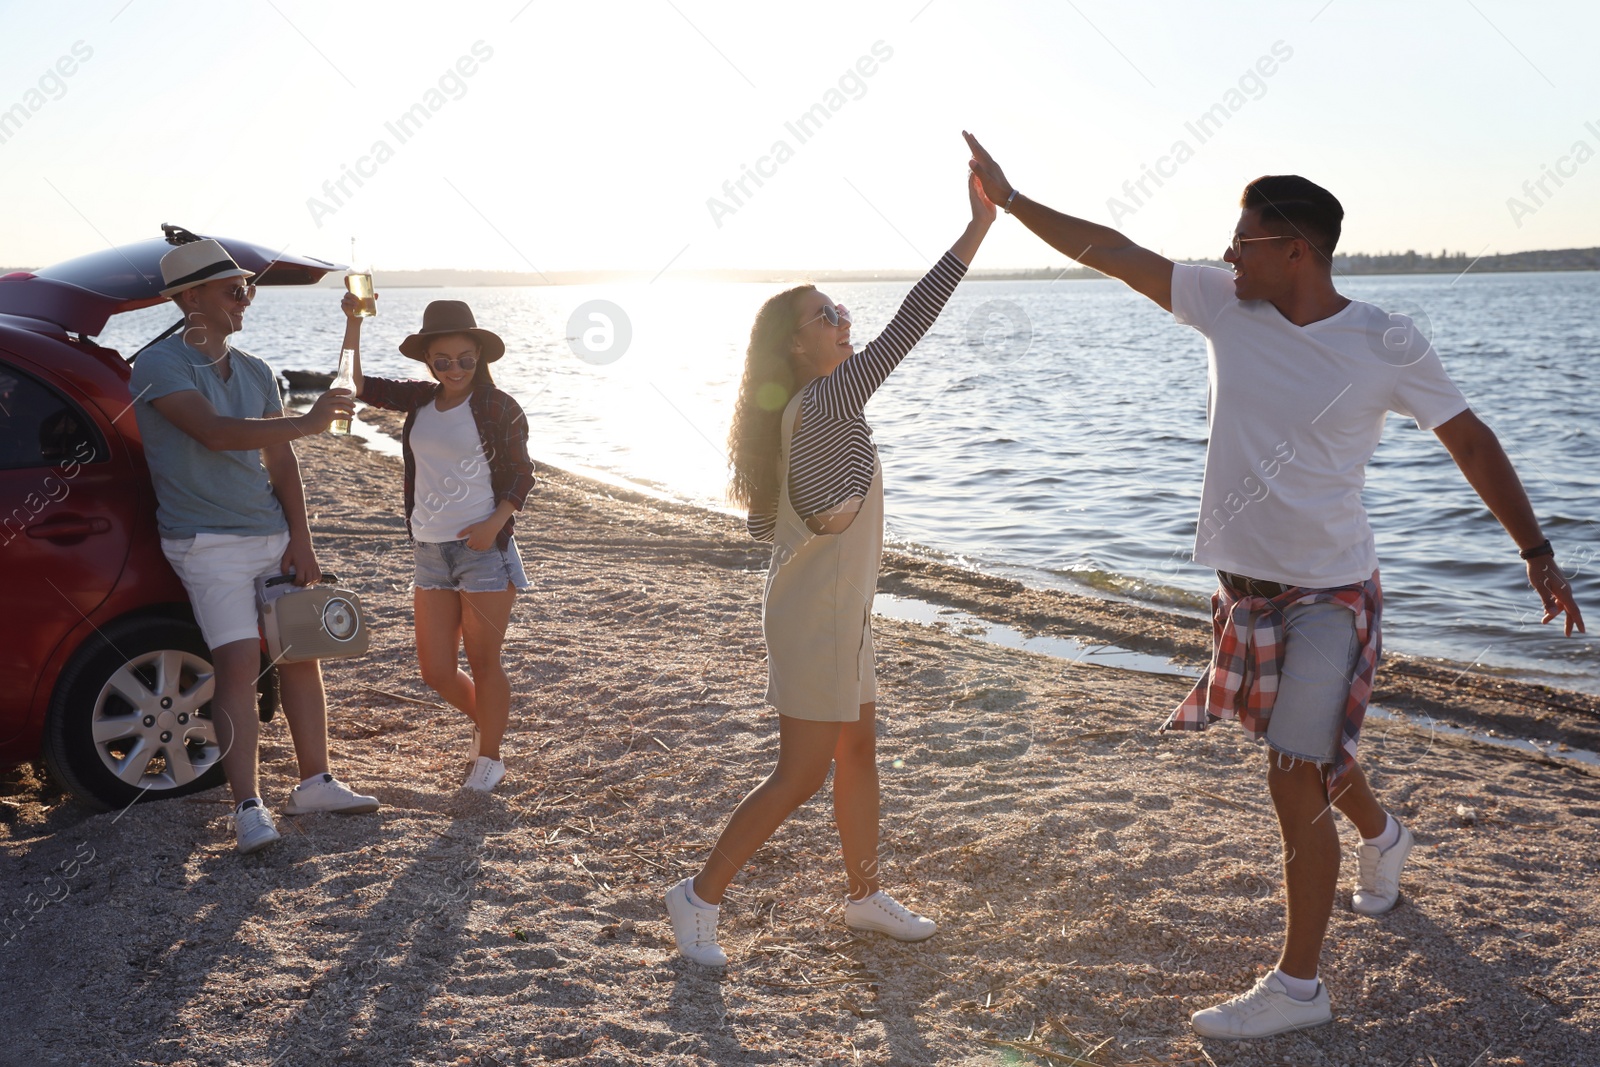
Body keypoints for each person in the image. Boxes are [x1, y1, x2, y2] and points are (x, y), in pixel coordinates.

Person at [962, 131, 1585, 1038]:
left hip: (1331, 593)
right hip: (1245, 594)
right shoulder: (1224, 303)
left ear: (1295, 249)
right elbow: (1113, 251)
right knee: (1316, 750)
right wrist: (1014, 203)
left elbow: (1472, 441)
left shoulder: (1386, 339)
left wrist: (1536, 552)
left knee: (1294, 770)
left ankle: (1300, 987)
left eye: (1243, 240)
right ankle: (1385, 836)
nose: (1224, 254)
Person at [664, 171, 996, 966]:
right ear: (796, 342)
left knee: (860, 749)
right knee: (801, 771)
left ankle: (862, 895)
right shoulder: (831, 399)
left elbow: (762, 523)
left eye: (843, 310)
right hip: (817, 616)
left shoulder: (802, 412)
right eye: (827, 315)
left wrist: (826, 512)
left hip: (837, 611)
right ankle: (698, 895)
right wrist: (977, 230)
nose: (845, 321)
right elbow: (911, 323)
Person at [130, 239, 379, 855]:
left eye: (249, 288)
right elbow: (214, 434)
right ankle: (247, 806)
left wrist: (303, 537)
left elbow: (280, 460)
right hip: (205, 542)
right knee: (238, 664)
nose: (247, 299)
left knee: (301, 654)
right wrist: (309, 419)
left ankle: (315, 782)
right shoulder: (159, 366)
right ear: (191, 299)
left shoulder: (256, 370)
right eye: (234, 290)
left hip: (271, 536)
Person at [341, 296, 535, 794]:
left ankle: (489, 757)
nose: (454, 369)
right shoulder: (421, 400)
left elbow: (522, 474)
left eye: (465, 359)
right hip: (428, 551)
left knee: (485, 663)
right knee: (437, 672)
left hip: (483, 552)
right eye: (443, 360)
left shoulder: (497, 405)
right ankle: (490, 723)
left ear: (480, 357)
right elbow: (354, 385)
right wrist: (353, 323)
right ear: (429, 361)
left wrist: (494, 524)